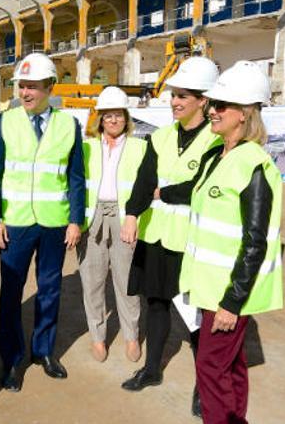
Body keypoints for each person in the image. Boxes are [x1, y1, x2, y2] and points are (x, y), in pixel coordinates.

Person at [159, 61, 284, 423]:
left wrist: (232, 302)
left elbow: (255, 243)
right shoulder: (218, 154)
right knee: (232, 365)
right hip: (206, 286)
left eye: (221, 106)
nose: (212, 111)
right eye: (212, 104)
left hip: (227, 293)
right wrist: (161, 192)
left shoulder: (255, 166)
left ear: (244, 114)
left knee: (211, 368)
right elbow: (197, 195)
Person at [119, 57, 221, 418]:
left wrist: (167, 192)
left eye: (183, 96)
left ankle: (203, 386)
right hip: (157, 237)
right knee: (157, 304)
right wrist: (132, 213)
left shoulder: (217, 139)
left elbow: (201, 188)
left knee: (195, 319)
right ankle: (151, 370)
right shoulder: (160, 136)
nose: (175, 101)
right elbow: (144, 182)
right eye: (174, 95)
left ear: (203, 100)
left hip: (191, 241)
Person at [0, 53, 85, 392]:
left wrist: (75, 220)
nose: (25, 93)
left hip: (54, 223)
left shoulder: (68, 125)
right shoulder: (5, 121)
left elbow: (75, 177)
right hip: (14, 223)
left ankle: (44, 352)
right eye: (21, 86)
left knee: (50, 290)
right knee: (11, 292)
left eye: (32, 87)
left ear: (50, 87)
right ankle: (11, 360)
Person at [78, 86, 145, 363]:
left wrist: (136, 218)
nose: (114, 120)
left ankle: (131, 336)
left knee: (126, 282)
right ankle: (98, 337)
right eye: (108, 115)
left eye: (118, 115)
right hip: (91, 218)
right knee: (92, 282)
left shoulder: (140, 147)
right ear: (100, 118)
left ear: (126, 118)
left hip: (124, 218)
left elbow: (143, 187)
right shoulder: (86, 146)